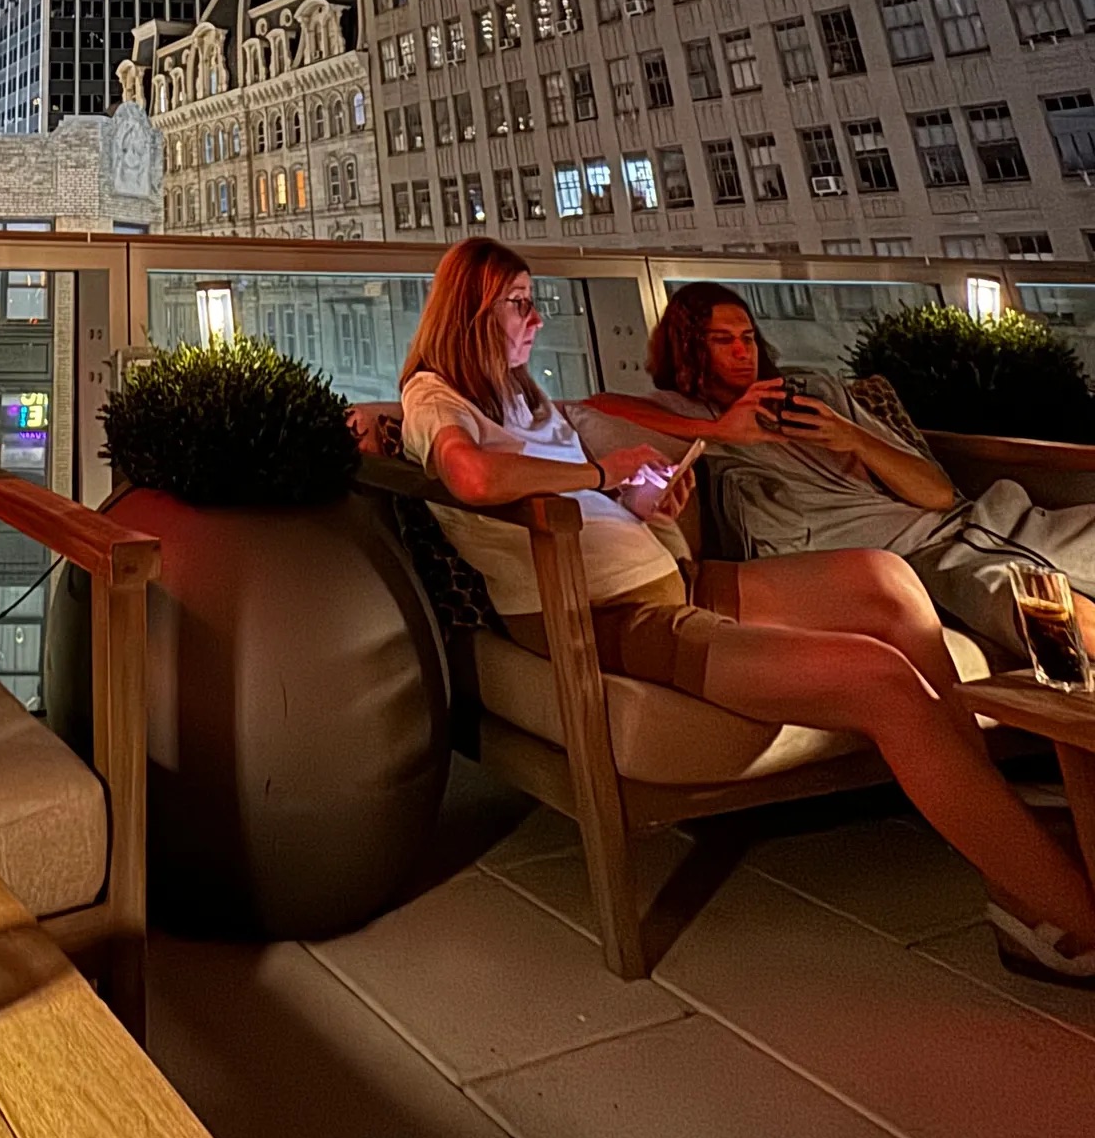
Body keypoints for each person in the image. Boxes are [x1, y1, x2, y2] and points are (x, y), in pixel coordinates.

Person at [398, 238, 1095, 980]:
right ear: (472, 312)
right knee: (880, 678)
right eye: (519, 303)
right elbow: (472, 477)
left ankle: (1004, 859)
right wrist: (602, 467)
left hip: (671, 573)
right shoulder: (432, 396)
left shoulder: (525, 395)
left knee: (886, 579)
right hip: (615, 616)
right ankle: (1069, 912)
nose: (537, 317)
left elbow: (577, 490)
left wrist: (641, 497)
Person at [581, 281, 1095, 665]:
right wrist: (726, 432)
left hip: (985, 518)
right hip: (924, 561)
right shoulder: (689, 424)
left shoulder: (815, 393)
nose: (743, 352)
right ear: (689, 348)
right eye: (722, 340)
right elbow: (594, 406)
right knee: (1042, 606)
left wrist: (853, 438)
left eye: (747, 338)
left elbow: (939, 495)